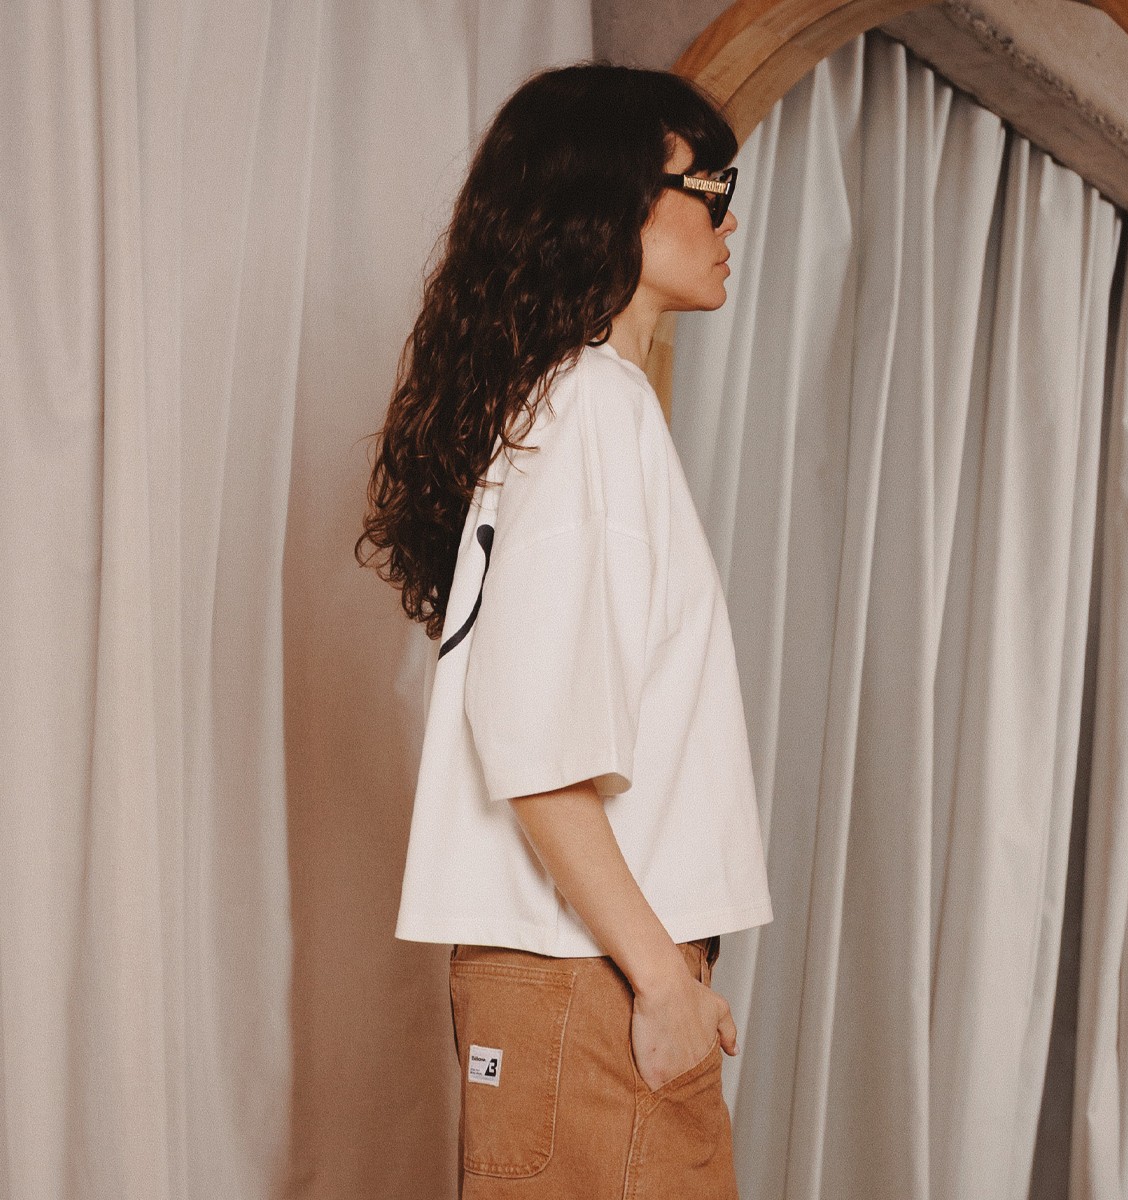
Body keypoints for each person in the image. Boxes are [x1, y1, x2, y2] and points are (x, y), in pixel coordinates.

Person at [357, 62, 773, 1199]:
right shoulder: (590, 409)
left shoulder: (562, 406)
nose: (731, 222)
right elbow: (538, 752)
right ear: (613, 199)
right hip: (590, 979)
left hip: (572, 975)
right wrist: (662, 981)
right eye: (712, 189)